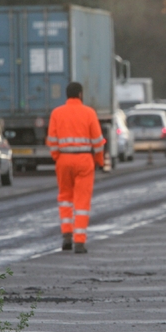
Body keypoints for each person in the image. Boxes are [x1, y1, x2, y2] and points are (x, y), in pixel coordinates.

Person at [46, 82, 105, 254]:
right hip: (84, 160)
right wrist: (99, 160)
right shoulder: (89, 113)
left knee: (65, 198)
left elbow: (52, 140)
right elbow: (98, 141)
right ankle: (79, 242)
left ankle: (66, 236)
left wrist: (58, 157)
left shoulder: (57, 113)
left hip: (64, 160)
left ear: (66, 95)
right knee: (81, 202)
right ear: (80, 94)